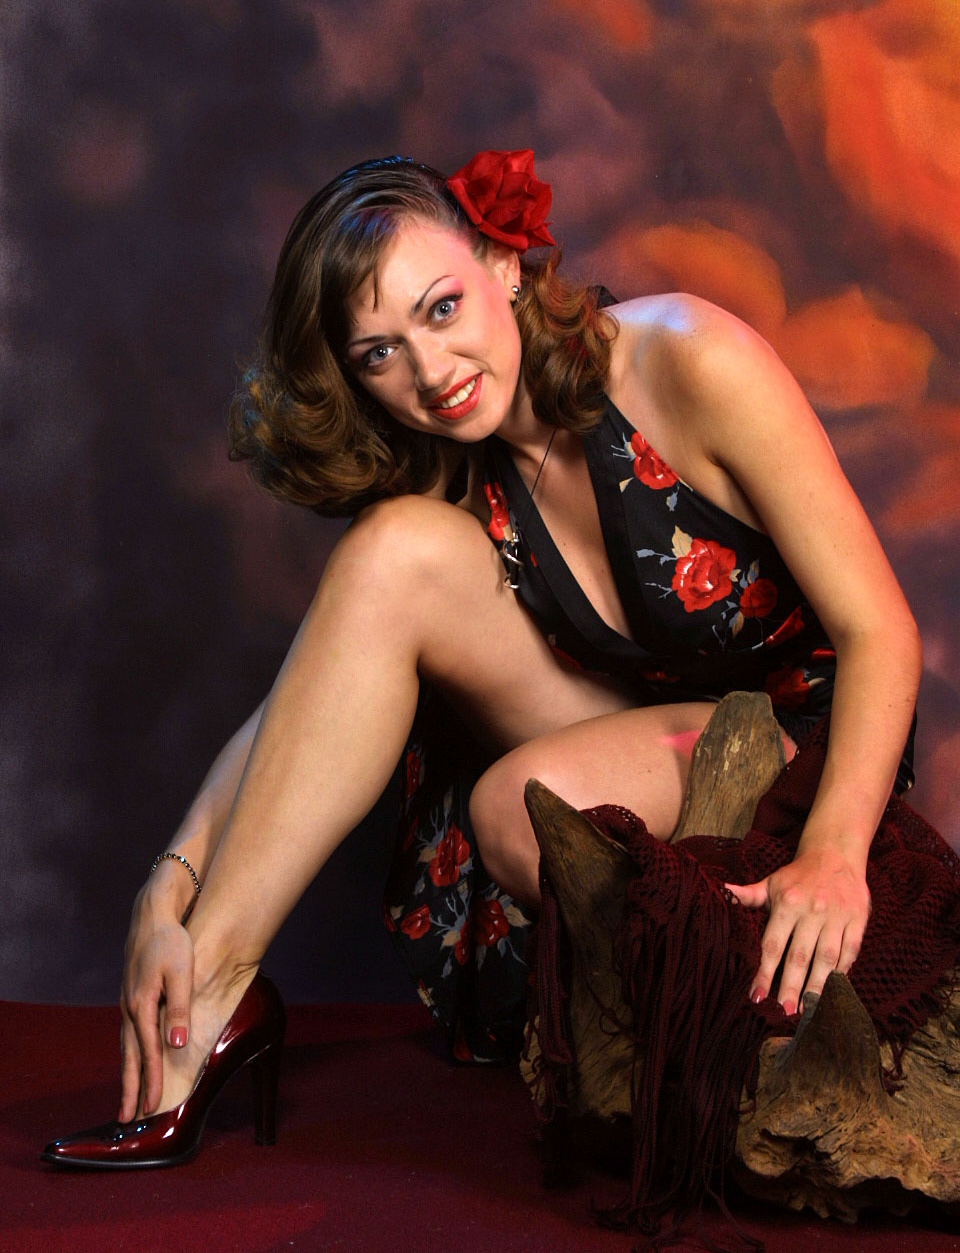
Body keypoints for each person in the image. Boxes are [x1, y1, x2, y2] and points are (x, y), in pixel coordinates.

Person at [42, 149, 921, 1168]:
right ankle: (211, 986)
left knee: (516, 805)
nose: (431, 372)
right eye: (381, 352)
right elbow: (305, 699)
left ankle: (717, 1023)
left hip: (804, 738)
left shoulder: (689, 360)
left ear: (503, 264)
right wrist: (173, 882)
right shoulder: (457, 476)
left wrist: (835, 854)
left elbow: (880, 631)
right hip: (649, 736)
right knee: (388, 553)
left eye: (443, 307)